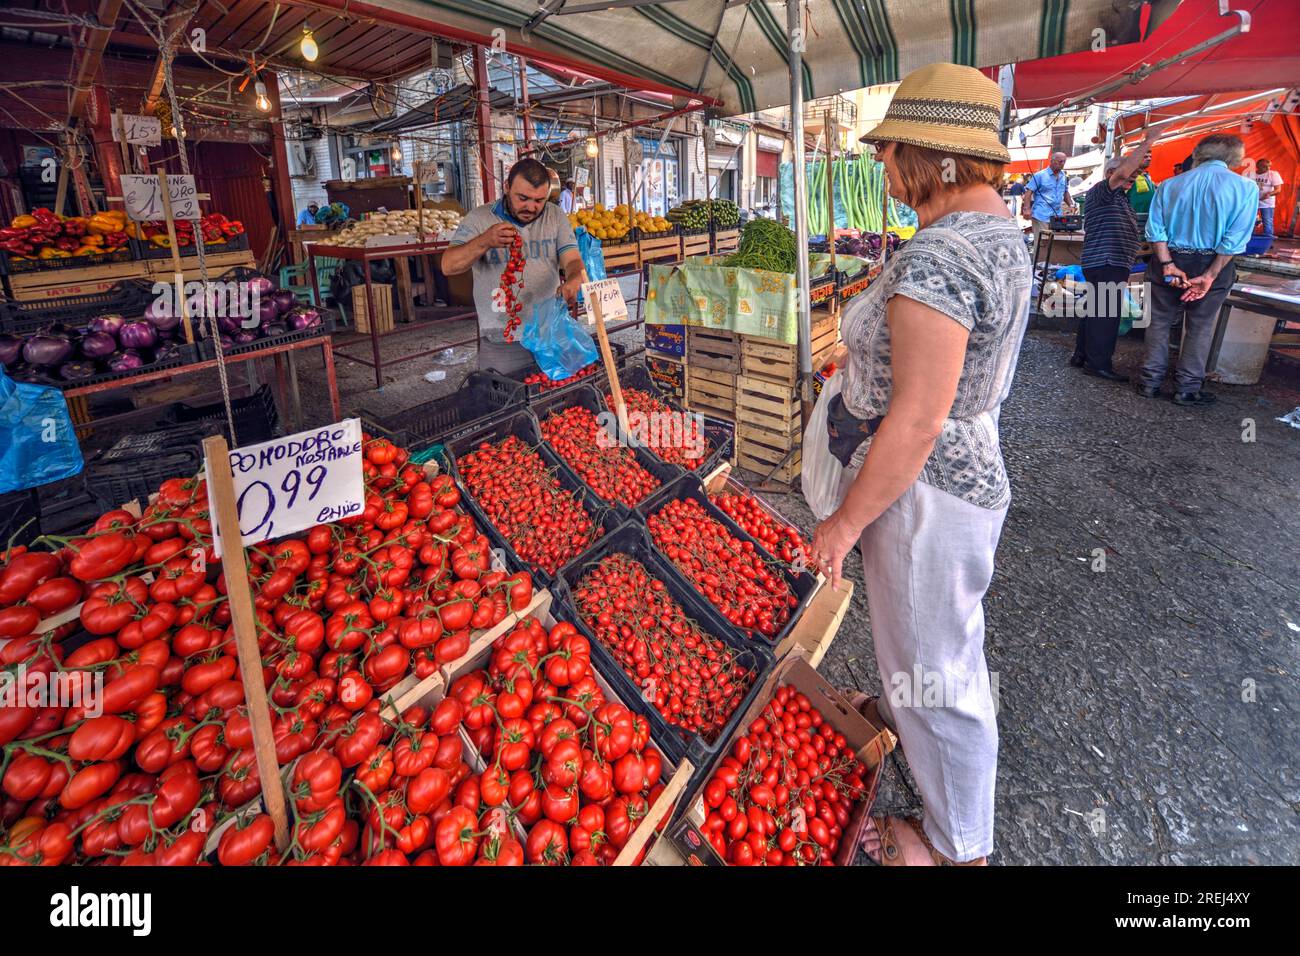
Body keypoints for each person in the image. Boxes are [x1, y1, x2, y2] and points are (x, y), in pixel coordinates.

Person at [809, 63, 1031, 867]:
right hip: (962, 478)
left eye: (889, 150)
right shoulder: (996, 231)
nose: (883, 166)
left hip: (928, 492)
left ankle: (952, 845)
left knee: (942, 668)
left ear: (924, 154)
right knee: (926, 648)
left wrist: (844, 522)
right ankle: (905, 721)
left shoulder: (941, 257)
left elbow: (917, 418)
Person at [1139, 133, 1258, 406]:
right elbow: (1235, 239)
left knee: (1158, 322)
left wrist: (1168, 264)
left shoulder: (1169, 185)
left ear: (1197, 154)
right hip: (1212, 261)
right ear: (1235, 158)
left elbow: (1155, 230)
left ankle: (1150, 382)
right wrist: (1210, 275)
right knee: (1200, 327)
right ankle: (1187, 389)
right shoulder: (1245, 188)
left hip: (1168, 259)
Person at [442, 158, 587, 374]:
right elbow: (448, 265)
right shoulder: (479, 219)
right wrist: (484, 241)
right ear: (507, 188)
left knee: (554, 397)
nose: (531, 207)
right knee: (505, 397)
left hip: (549, 332)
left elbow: (573, 260)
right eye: (523, 198)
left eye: (539, 200)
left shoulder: (554, 216)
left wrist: (575, 277)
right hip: (502, 336)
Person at [1070, 128, 1161, 379]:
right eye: (1128, 178)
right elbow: (1124, 170)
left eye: (1133, 180)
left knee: (1095, 310)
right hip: (1106, 261)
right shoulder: (1102, 190)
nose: (1130, 182)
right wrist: (1148, 142)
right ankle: (1098, 364)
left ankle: (1082, 356)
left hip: (1109, 261)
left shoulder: (1120, 198)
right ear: (1112, 174)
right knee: (1106, 314)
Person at [1023, 152, 1077, 253]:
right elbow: (1028, 192)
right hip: (1041, 214)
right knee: (1042, 243)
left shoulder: (1063, 176)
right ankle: (1038, 267)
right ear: (1052, 161)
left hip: (1057, 215)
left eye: (1064, 162)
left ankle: (1051, 266)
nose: (1062, 164)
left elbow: (1065, 192)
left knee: (1054, 243)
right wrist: (1027, 209)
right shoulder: (1040, 175)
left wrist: (1071, 204)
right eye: (1060, 161)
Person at [1254, 158, 1284, 238]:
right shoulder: (1250, 174)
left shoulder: (1273, 174)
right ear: (1257, 166)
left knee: (1267, 221)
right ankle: (1250, 239)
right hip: (1253, 203)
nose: (1267, 169)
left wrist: (1269, 194)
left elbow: (1278, 190)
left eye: (1269, 166)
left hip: (1267, 204)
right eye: (1264, 166)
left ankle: (1267, 241)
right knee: (1251, 221)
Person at [1126, 153, 1158, 221]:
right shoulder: (1128, 176)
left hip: (1148, 219)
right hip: (1132, 220)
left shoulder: (1147, 177)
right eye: (1145, 156)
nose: (1149, 159)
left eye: (1150, 157)